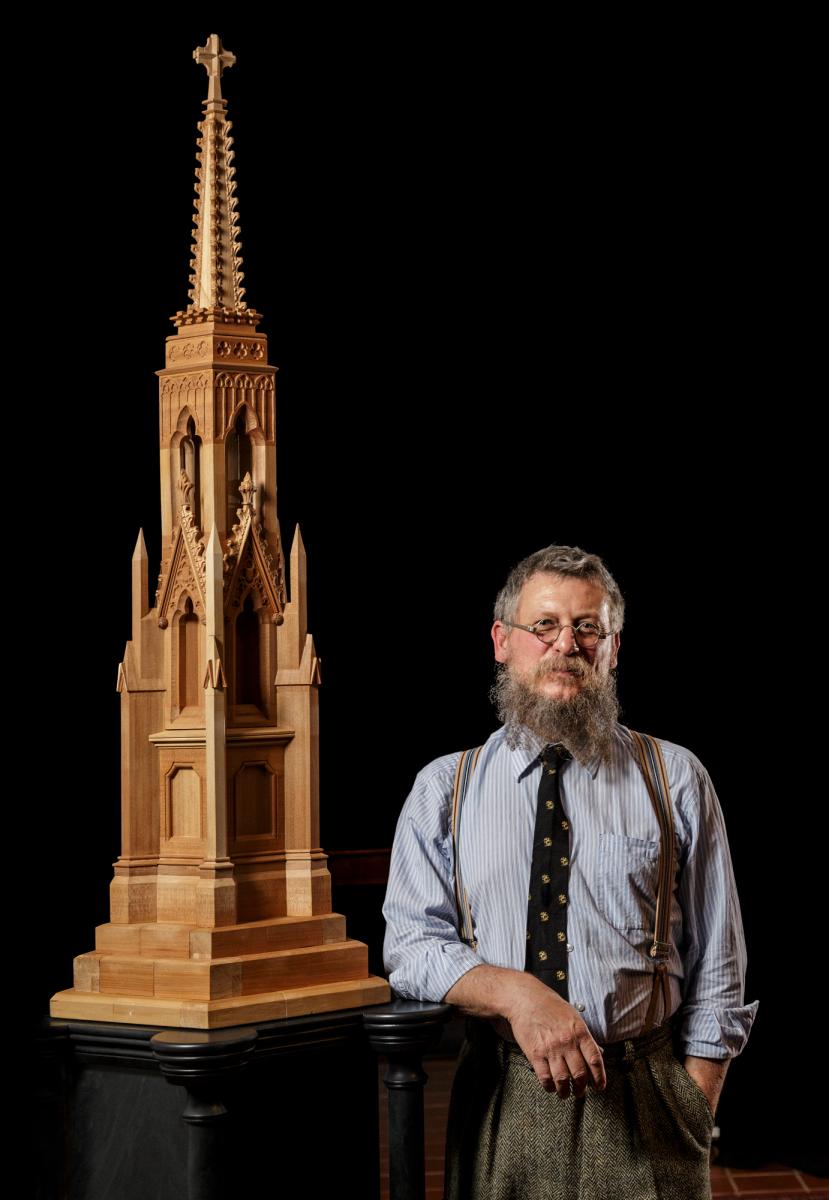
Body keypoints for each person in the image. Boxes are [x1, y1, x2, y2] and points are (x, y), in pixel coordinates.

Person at [382, 543, 758, 1200]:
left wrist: (693, 1102)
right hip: (502, 1093)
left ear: (613, 647)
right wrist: (516, 995)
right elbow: (409, 946)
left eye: (588, 627)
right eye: (545, 626)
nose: (567, 645)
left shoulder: (675, 777)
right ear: (502, 641)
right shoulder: (444, 788)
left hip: (646, 1095)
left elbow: (718, 960)